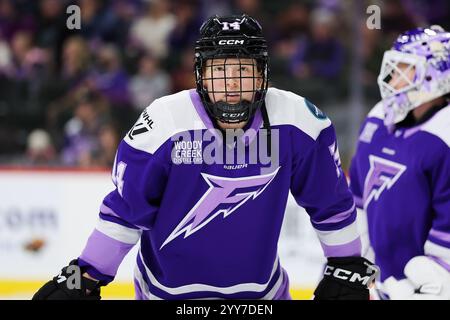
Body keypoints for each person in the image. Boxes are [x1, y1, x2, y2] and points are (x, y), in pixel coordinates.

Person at [33, 14, 375, 300]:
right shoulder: (164, 122)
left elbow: (329, 202)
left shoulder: (297, 120)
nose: (231, 84)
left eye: (242, 70)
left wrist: (346, 264)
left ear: (261, 75)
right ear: (200, 76)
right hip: (166, 295)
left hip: (262, 297)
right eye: (219, 70)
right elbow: (126, 211)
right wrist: (88, 273)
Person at [349, 26, 450, 299]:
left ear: (434, 74)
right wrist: (353, 263)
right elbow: (358, 200)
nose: (393, 78)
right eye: (394, 68)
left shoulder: (444, 134)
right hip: (381, 283)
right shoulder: (378, 118)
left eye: (405, 69)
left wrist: (432, 283)